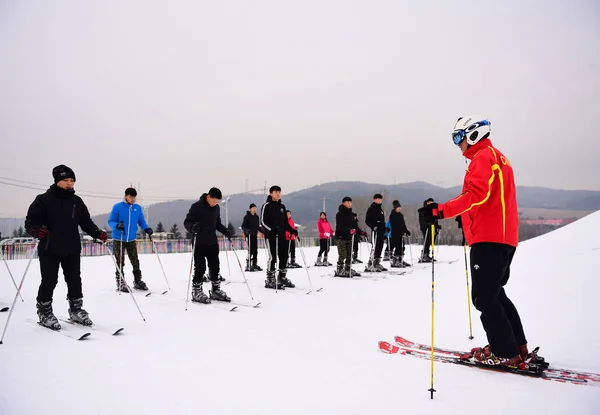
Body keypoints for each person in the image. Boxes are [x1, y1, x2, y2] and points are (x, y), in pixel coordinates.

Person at [418, 115, 526, 368]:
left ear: (474, 134)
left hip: (489, 238)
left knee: (485, 298)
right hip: (502, 237)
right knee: (495, 294)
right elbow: (487, 199)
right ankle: (516, 346)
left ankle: (504, 352)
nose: (457, 144)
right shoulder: (498, 158)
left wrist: (441, 210)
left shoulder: (483, 158)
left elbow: (476, 194)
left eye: (459, 137)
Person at [24, 165, 107, 330]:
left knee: (74, 279)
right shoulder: (43, 200)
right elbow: (31, 222)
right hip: (50, 247)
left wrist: (97, 233)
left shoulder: (76, 201)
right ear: (57, 181)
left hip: (72, 247)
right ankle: (44, 311)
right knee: (49, 280)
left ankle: (76, 309)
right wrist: (35, 230)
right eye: (66, 180)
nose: (70, 183)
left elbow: (85, 222)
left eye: (72, 180)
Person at [183, 187, 231, 303]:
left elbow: (217, 223)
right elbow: (187, 222)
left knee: (215, 266)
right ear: (208, 197)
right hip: (199, 242)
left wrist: (226, 231)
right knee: (200, 267)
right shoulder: (196, 207)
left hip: (212, 241)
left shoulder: (216, 208)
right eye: (214, 201)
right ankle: (196, 291)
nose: (215, 204)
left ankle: (215, 290)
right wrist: (192, 228)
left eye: (217, 202)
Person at [107, 187, 153, 292]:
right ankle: (120, 282)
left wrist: (146, 228)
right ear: (126, 196)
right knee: (120, 261)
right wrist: (117, 225)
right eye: (130, 196)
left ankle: (137, 281)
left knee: (135, 260)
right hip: (119, 238)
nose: (132, 199)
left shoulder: (137, 208)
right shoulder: (118, 207)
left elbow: (141, 221)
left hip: (131, 239)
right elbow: (111, 221)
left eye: (134, 197)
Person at [260, 185, 298, 289]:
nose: (278, 194)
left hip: (281, 236)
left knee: (284, 256)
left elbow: (285, 222)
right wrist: (272, 229)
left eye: (279, 192)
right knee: (273, 257)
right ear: (271, 193)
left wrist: (292, 230)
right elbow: (263, 222)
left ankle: (282, 276)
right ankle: (270, 279)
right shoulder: (266, 206)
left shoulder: (282, 207)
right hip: (271, 236)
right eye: (275, 192)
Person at [334, 197, 360, 277]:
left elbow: (354, 225)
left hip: (349, 237)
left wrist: (360, 232)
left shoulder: (351, 214)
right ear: (343, 203)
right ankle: (339, 269)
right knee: (342, 254)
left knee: (349, 254)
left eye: (350, 202)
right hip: (341, 236)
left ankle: (348, 268)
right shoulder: (339, 214)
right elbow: (340, 226)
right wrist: (349, 230)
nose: (349, 204)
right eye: (347, 202)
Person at [365, 193, 387, 272]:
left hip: (381, 231)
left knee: (380, 246)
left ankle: (377, 263)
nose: (379, 200)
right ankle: (371, 263)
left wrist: (385, 228)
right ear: (374, 199)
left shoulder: (381, 210)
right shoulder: (371, 208)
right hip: (375, 231)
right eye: (378, 199)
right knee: (375, 246)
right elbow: (367, 220)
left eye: (380, 199)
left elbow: (382, 221)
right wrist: (373, 226)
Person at [389, 200, 411, 267]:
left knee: (402, 247)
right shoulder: (392, 215)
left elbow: (403, 224)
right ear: (395, 208)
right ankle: (395, 261)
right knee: (398, 247)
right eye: (398, 207)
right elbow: (393, 225)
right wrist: (398, 231)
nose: (399, 209)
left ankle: (400, 260)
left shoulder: (401, 215)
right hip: (395, 234)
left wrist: (406, 231)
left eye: (400, 207)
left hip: (401, 234)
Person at [241, 203, 263, 272]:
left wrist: (263, 231)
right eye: (253, 208)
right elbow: (243, 226)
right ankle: (248, 265)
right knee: (250, 250)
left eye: (255, 208)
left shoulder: (256, 217)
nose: (254, 209)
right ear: (250, 209)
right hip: (249, 235)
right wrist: (247, 231)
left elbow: (257, 227)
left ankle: (254, 264)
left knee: (255, 250)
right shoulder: (246, 217)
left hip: (254, 235)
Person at [418, 198, 440, 262]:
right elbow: (422, 220)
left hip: (432, 228)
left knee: (430, 241)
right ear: (427, 202)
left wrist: (437, 226)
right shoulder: (423, 210)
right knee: (427, 241)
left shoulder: (433, 210)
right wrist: (426, 225)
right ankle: (424, 255)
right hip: (426, 228)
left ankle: (427, 254)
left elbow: (435, 220)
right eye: (430, 202)